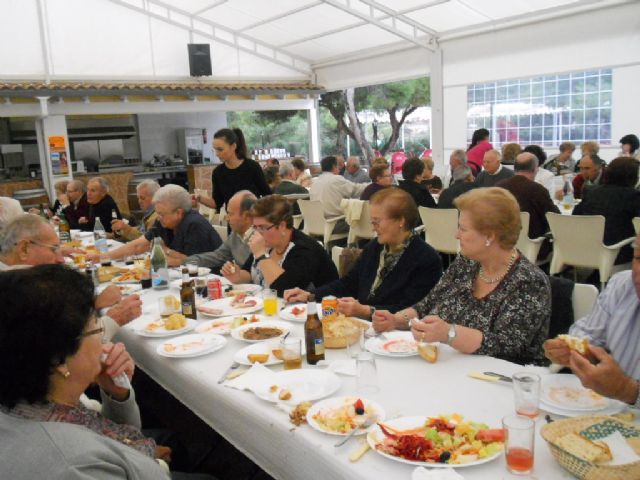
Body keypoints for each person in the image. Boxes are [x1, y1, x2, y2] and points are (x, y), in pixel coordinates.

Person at [0, 265, 170, 478]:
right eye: (96, 327)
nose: (102, 338)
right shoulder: (77, 467)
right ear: (60, 361)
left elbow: (118, 434)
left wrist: (116, 393)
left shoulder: (42, 400)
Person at [372, 187, 551, 365]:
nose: (456, 235)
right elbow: (427, 305)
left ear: (489, 236)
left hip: (501, 380)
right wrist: (396, 320)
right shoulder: (467, 263)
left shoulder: (529, 282)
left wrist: (449, 333)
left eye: (463, 229)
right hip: (449, 368)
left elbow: (508, 346)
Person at [284, 188, 442, 319]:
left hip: (398, 337)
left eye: (376, 221)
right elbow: (348, 283)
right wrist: (309, 295)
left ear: (401, 221)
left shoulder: (426, 259)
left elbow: (411, 310)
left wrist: (366, 310)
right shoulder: (375, 247)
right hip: (364, 326)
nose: (373, 227)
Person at [0, 215, 142, 339]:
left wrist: (92, 303)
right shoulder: (15, 291)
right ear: (24, 249)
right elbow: (66, 349)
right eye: (54, 249)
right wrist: (113, 318)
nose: (61, 259)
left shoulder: (17, 279)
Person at [543, 234, 640, 407]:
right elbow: (589, 334)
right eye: (638, 259)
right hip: (610, 411)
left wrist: (628, 390)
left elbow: (625, 390)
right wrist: (575, 350)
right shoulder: (622, 286)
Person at [221, 194, 338, 296]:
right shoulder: (270, 242)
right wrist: (238, 276)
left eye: (262, 227)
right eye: (255, 227)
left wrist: (261, 255)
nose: (257, 233)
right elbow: (249, 272)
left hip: (316, 312)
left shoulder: (304, 249)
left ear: (282, 226)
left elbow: (284, 290)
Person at [96, 184, 222, 267]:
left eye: (162, 214)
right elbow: (139, 245)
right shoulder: (164, 221)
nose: (158, 218)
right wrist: (102, 257)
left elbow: (192, 261)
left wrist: (165, 250)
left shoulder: (194, 225)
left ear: (179, 212)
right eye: (158, 213)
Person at [573, 156, 640, 263]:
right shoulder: (634, 197)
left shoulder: (591, 192)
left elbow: (575, 217)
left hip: (588, 249)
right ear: (633, 177)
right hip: (618, 253)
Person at [497, 152, 559, 259]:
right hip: (532, 247)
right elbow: (554, 218)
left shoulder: (498, 188)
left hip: (502, 245)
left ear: (515, 168)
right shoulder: (538, 190)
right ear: (535, 169)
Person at [194, 128, 271, 212]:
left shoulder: (252, 167)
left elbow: (267, 195)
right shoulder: (218, 172)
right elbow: (216, 203)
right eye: (215, 149)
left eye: (220, 149)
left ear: (233, 146)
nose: (216, 154)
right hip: (232, 221)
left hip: (253, 220)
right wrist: (199, 198)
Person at [184, 191, 255, 273]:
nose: (227, 219)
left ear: (246, 216)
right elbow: (218, 256)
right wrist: (185, 261)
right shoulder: (236, 233)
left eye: (230, 214)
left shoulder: (262, 238)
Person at [310, 156, 366, 234]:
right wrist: (372, 185)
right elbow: (356, 190)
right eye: (338, 165)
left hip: (316, 224)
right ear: (334, 166)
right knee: (363, 220)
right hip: (334, 224)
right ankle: (356, 245)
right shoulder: (336, 179)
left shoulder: (314, 182)